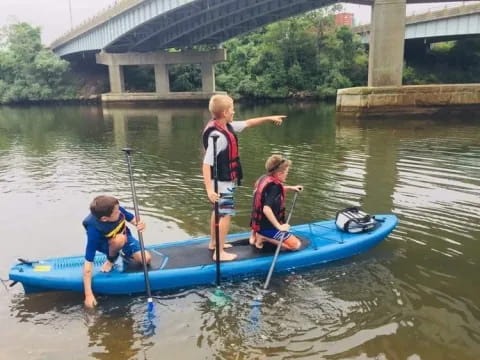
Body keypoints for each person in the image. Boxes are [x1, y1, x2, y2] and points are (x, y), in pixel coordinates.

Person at [202, 94, 286, 261]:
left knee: (218, 213)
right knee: (225, 215)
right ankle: (219, 253)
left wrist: (269, 118)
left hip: (222, 181)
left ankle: (214, 243)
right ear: (225, 112)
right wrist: (210, 190)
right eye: (232, 108)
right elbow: (206, 164)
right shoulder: (217, 137)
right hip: (221, 183)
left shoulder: (226, 126)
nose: (234, 111)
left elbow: (248, 123)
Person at [82, 195, 151, 308]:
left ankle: (123, 254)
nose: (120, 211)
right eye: (116, 212)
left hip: (125, 236)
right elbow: (88, 262)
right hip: (107, 244)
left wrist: (141, 224)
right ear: (104, 218)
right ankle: (111, 259)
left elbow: (134, 221)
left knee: (146, 259)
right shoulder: (93, 230)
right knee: (119, 240)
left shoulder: (116, 209)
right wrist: (88, 295)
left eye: (118, 209)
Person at [250, 154, 303, 251]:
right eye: (286, 172)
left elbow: (268, 192)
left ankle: (255, 234)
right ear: (279, 174)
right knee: (296, 245)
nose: (287, 174)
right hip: (267, 228)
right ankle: (263, 237)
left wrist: (291, 188)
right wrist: (280, 226)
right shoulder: (275, 187)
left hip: (258, 225)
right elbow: (266, 209)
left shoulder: (263, 178)